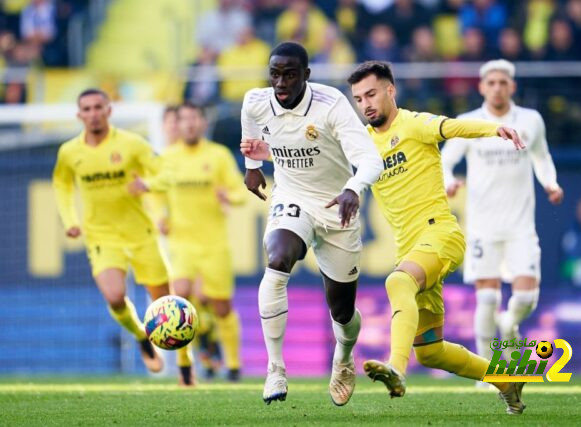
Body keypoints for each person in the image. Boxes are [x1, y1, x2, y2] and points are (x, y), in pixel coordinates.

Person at [347, 61, 527, 414]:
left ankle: (396, 368)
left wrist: (495, 130)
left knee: (398, 282)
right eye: (358, 98)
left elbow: (453, 126)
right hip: (411, 248)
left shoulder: (413, 124)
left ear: (390, 90)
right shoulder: (363, 146)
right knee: (431, 351)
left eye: (371, 93)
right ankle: (506, 381)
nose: (365, 104)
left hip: (441, 234)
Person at [239, 42, 383, 406]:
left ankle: (344, 357)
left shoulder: (331, 104)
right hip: (292, 197)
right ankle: (275, 370)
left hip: (338, 208)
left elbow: (370, 160)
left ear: (306, 74)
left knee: (342, 311)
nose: (281, 82)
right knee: (277, 258)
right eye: (275, 74)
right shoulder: (256, 101)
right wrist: (253, 169)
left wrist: (352, 188)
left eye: (290, 74)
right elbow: (250, 127)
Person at [52, 89, 194, 385]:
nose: (93, 114)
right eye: (87, 109)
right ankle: (142, 336)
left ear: (109, 110)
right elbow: (62, 186)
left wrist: (148, 183)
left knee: (167, 305)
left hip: (140, 235)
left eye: (98, 108)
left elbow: (166, 173)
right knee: (115, 296)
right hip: (102, 236)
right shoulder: (69, 152)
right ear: (79, 115)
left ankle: (184, 365)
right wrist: (69, 220)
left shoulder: (131, 145)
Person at [441, 60, 563, 389]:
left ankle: (509, 326)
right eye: (491, 82)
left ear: (512, 86)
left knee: (526, 298)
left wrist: (550, 183)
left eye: (502, 82)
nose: (497, 87)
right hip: (483, 226)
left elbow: (541, 156)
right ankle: (488, 374)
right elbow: (446, 159)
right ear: (482, 87)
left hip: (521, 225)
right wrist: (449, 180)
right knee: (486, 298)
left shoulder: (530, 120)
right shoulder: (468, 123)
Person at [157, 102, 247, 381]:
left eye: (195, 119)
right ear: (178, 124)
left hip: (214, 244)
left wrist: (228, 197)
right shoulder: (168, 158)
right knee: (180, 299)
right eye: (184, 119)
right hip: (182, 243)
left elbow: (240, 192)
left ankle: (233, 365)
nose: (190, 124)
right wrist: (160, 215)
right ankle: (187, 364)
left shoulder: (218, 156)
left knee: (221, 306)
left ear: (203, 123)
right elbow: (155, 192)